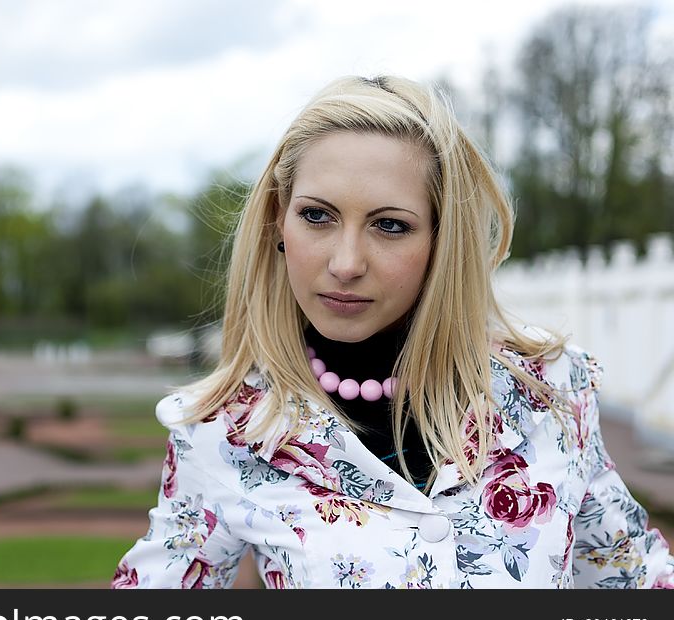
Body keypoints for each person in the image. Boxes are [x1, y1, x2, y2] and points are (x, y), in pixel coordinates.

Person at [111, 74, 674, 589]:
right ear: (277, 221)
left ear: (440, 240)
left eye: (389, 226)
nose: (346, 262)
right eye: (317, 216)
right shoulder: (225, 430)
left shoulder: (551, 391)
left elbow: (633, 584)